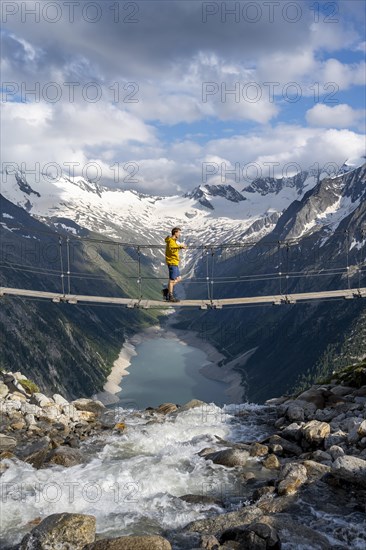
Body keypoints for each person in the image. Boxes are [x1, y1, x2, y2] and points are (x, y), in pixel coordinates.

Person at [162, 227, 187, 302]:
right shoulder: (171, 241)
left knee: (179, 278)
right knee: (172, 280)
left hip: (175, 262)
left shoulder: (173, 241)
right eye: (179, 233)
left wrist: (180, 247)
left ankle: (167, 290)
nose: (179, 234)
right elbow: (172, 248)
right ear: (175, 233)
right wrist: (180, 246)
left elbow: (173, 249)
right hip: (172, 262)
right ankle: (170, 296)